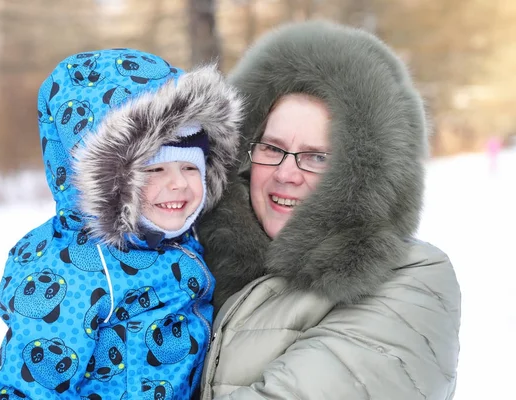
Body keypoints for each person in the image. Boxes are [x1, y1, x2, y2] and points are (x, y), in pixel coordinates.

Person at [197, 20, 461, 399]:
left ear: (363, 173)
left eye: (317, 156)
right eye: (272, 148)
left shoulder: (412, 282)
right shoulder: (195, 270)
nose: (286, 173)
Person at [0, 48, 243, 400]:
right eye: (154, 170)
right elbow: (25, 388)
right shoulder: (79, 272)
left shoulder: (179, 242)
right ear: (109, 185)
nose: (179, 183)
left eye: (190, 168)